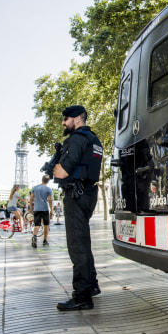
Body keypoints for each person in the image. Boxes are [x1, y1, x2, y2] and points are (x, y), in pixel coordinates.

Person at [53, 105, 103, 311]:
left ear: (77, 119)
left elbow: (62, 172)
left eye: (66, 119)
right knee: (83, 242)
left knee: (77, 245)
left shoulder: (76, 139)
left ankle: (82, 296)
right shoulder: (94, 139)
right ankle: (91, 285)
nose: (64, 123)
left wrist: (55, 167)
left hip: (76, 194)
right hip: (88, 193)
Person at [29, 175, 53, 247]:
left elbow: (31, 198)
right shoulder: (48, 189)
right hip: (45, 209)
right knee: (46, 225)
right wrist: (52, 210)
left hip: (36, 208)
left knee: (37, 225)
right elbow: (50, 200)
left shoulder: (35, 188)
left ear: (42, 179)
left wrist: (30, 207)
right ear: (48, 181)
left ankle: (34, 236)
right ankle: (45, 241)